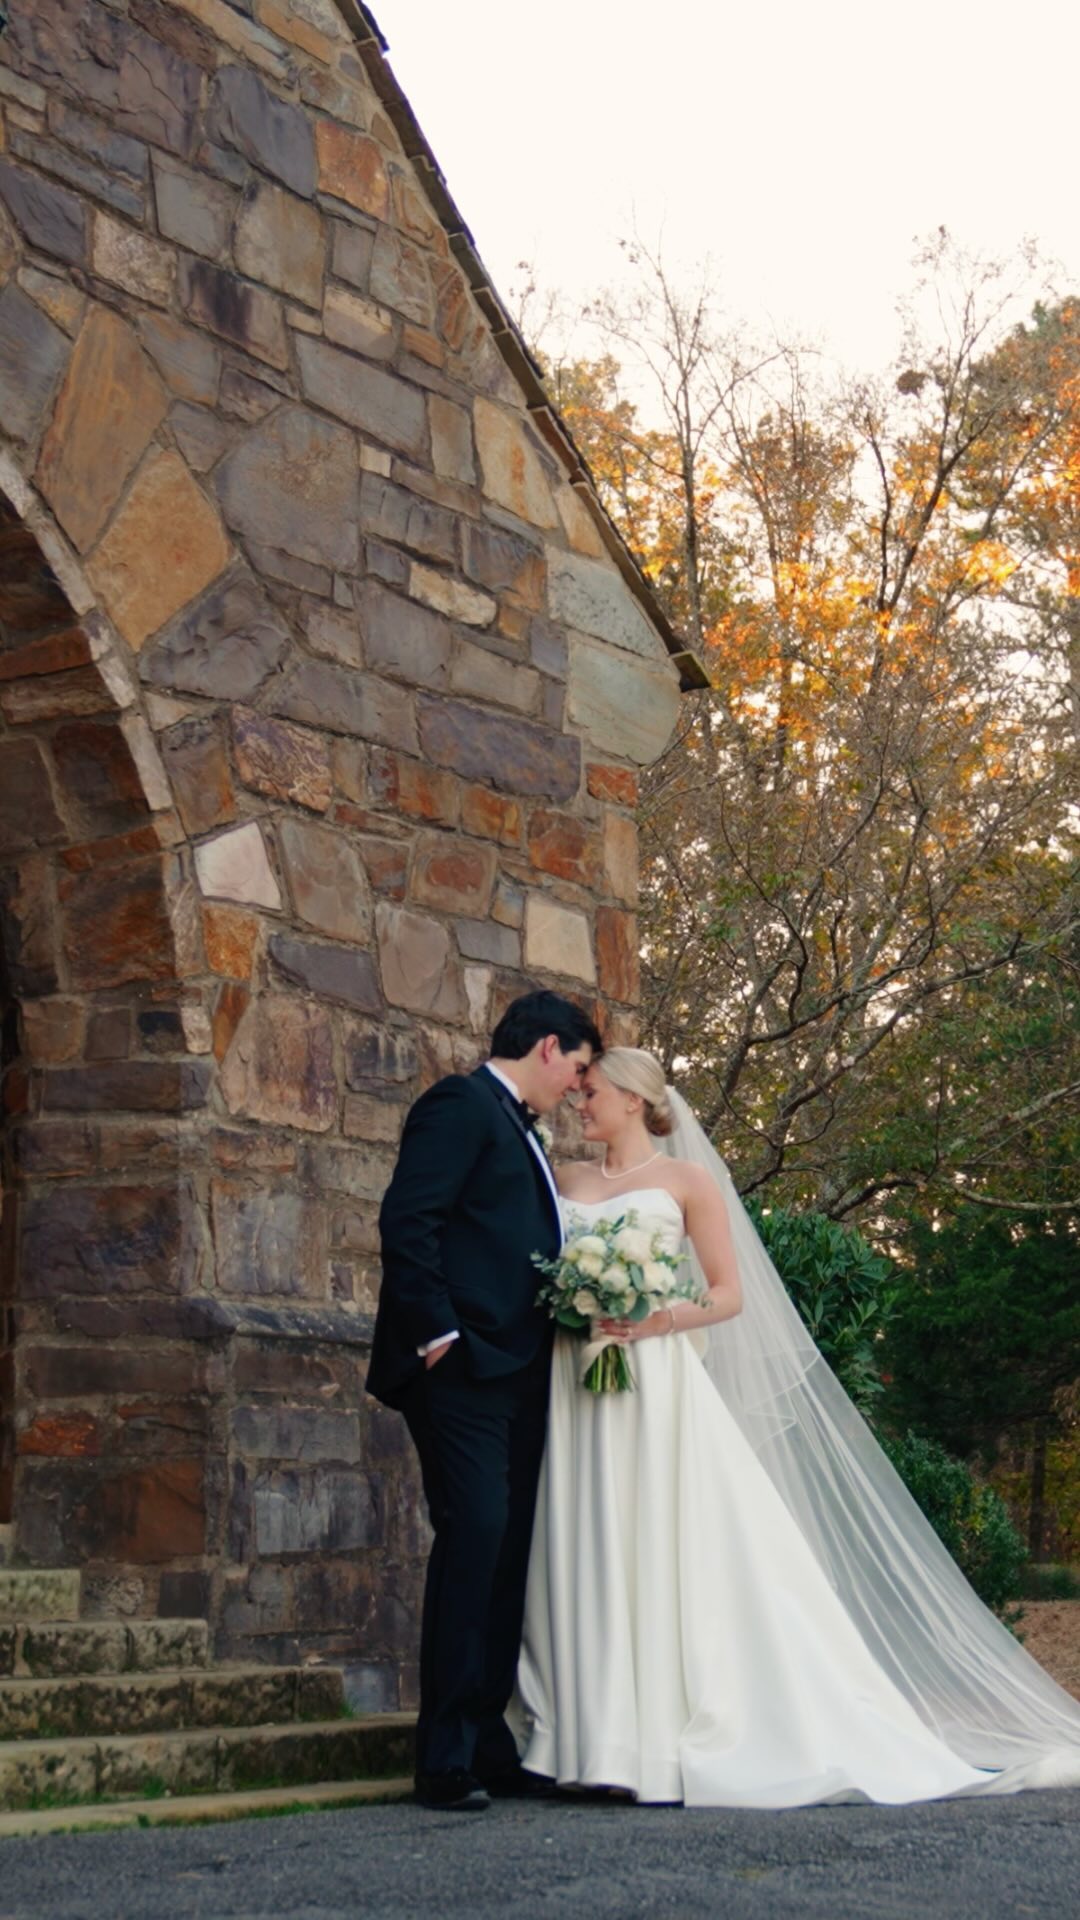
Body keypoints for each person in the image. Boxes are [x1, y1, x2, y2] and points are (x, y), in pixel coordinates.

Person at [515, 1047, 1080, 1806]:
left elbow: (728, 1295)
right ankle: (582, 1739)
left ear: (633, 1100)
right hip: (575, 1382)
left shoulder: (687, 1183)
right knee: (585, 1540)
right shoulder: (566, 1179)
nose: (579, 1103)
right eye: (579, 1091)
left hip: (653, 1382)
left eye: (591, 1092)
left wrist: (658, 1319)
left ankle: (644, 1743)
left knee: (653, 1537)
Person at [369, 989, 602, 1811]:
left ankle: (487, 1741)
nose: (578, 1088)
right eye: (577, 1069)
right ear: (546, 1047)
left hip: (521, 1373)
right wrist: (439, 1337)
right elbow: (409, 1221)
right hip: (462, 1368)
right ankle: (442, 1760)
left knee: (508, 1554)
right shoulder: (458, 1105)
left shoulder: (520, 1128)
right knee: (477, 1538)